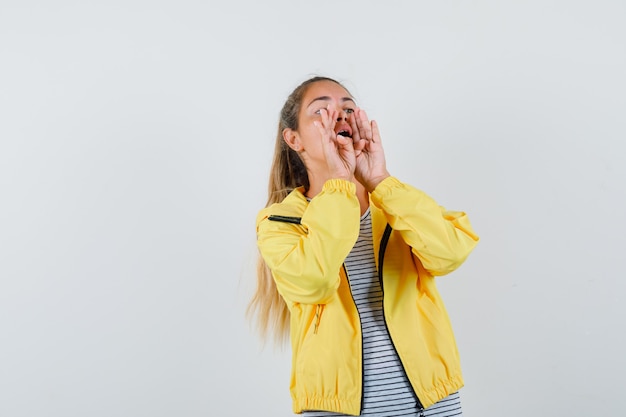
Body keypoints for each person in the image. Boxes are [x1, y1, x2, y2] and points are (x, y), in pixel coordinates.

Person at [248, 76, 479, 417]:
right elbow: (314, 279)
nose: (338, 115)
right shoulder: (279, 222)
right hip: (336, 409)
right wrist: (340, 184)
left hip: (432, 404)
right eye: (321, 111)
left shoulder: (396, 204)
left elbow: (450, 253)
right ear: (293, 139)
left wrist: (381, 181)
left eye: (347, 108)